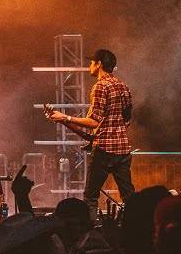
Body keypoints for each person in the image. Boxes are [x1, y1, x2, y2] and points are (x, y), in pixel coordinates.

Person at [46, 48, 135, 212]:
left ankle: (90, 228)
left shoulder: (100, 87)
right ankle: (137, 225)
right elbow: (126, 119)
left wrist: (66, 117)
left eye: (92, 62)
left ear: (99, 64)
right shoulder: (124, 87)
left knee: (90, 197)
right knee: (129, 196)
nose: (90, 66)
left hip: (104, 150)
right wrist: (62, 119)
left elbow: (94, 122)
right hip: (123, 150)